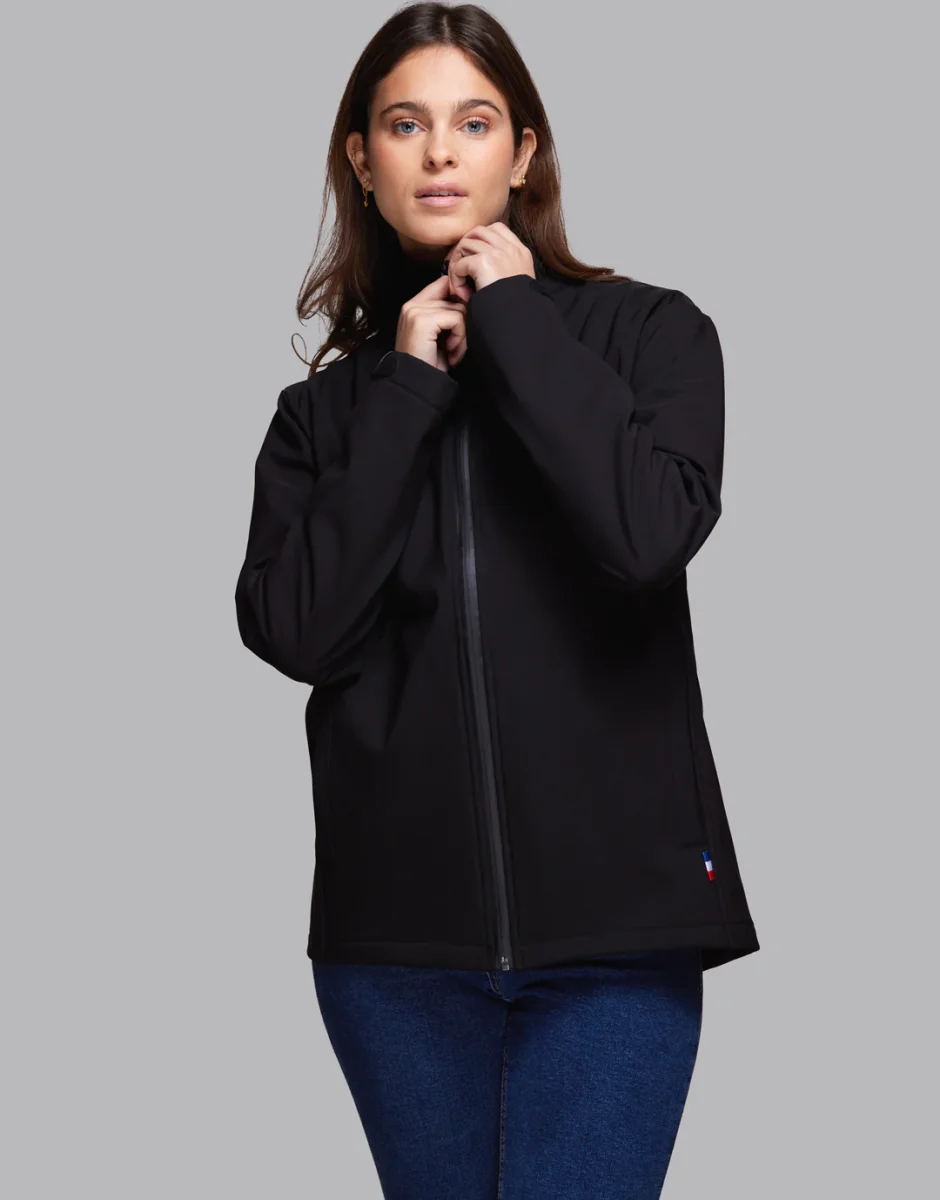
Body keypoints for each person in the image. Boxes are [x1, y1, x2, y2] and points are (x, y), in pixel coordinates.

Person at [234, 4, 760, 1196]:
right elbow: (296, 630)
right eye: (403, 124)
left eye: (472, 123)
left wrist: (515, 318)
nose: (438, 152)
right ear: (361, 160)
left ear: (521, 153)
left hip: (617, 934)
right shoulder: (324, 417)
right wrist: (406, 392)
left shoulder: (649, 334)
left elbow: (646, 534)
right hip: (395, 950)